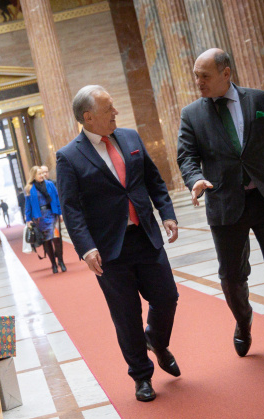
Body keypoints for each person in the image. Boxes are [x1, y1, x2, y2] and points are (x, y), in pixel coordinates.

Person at [177, 49, 264, 365]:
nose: (198, 81)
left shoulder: (258, 100)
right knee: (231, 275)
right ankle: (243, 320)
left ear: (226, 73)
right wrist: (195, 179)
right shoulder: (192, 114)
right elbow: (186, 156)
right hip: (225, 204)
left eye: (205, 75)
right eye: (196, 75)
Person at [57, 85, 180, 402]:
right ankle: (142, 377)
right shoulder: (69, 156)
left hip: (146, 236)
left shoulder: (130, 138)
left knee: (167, 297)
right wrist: (85, 247)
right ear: (89, 117)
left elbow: (153, 179)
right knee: (126, 317)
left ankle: (155, 338)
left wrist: (166, 213)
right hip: (109, 250)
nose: (116, 112)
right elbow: (70, 207)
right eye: (109, 108)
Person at [24, 166, 66, 274]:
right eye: (39, 174)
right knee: (47, 241)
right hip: (40, 218)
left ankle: (61, 261)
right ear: (34, 176)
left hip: (52, 214)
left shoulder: (50, 184)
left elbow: (57, 198)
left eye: (43, 173)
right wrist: (28, 219)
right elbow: (28, 205)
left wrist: (60, 213)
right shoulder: (29, 188)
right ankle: (53, 264)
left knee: (57, 239)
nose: (42, 175)